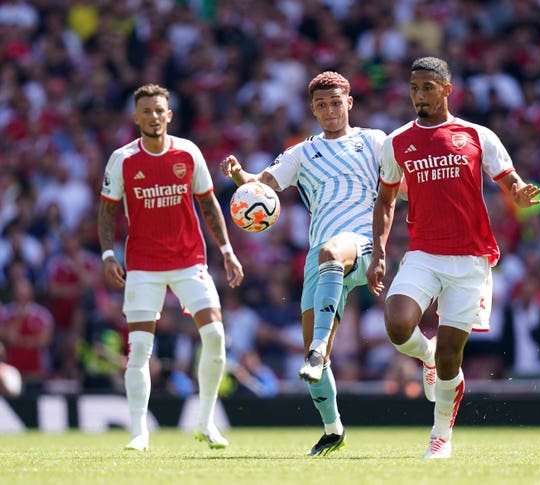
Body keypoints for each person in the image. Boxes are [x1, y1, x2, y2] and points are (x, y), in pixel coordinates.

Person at [366, 57, 540, 459]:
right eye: (414, 88)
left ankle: (440, 434)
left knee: (451, 358)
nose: (419, 95)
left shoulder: (477, 135)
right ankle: (423, 355)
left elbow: (508, 177)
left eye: (428, 87)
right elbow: (387, 200)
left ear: (447, 89)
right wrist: (378, 252)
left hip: (470, 259)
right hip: (424, 253)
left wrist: (516, 192)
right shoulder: (398, 142)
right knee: (396, 324)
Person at [221, 71, 386, 456]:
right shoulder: (302, 152)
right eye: (322, 104)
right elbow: (262, 185)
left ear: (350, 102)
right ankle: (333, 430)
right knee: (316, 364)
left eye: (336, 101)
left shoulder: (373, 141)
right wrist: (238, 175)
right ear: (313, 109)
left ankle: (315, 350)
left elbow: (400, 185)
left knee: (331, 257)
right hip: (319, 255)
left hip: (360, 243)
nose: (330, 109)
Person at [98, 84, 244, 452]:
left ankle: (206, 422)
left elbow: (209, 204)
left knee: (214, 336)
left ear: (169, 114)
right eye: (145, 111)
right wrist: (107, 255)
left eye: (158, 110)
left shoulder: (188, 153)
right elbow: (107, 209)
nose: (153, 116)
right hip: (144, 264)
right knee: (140, 347)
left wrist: (226, 250)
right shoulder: (123, 160)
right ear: (136, 117)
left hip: (189, 259)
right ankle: (138, 432)